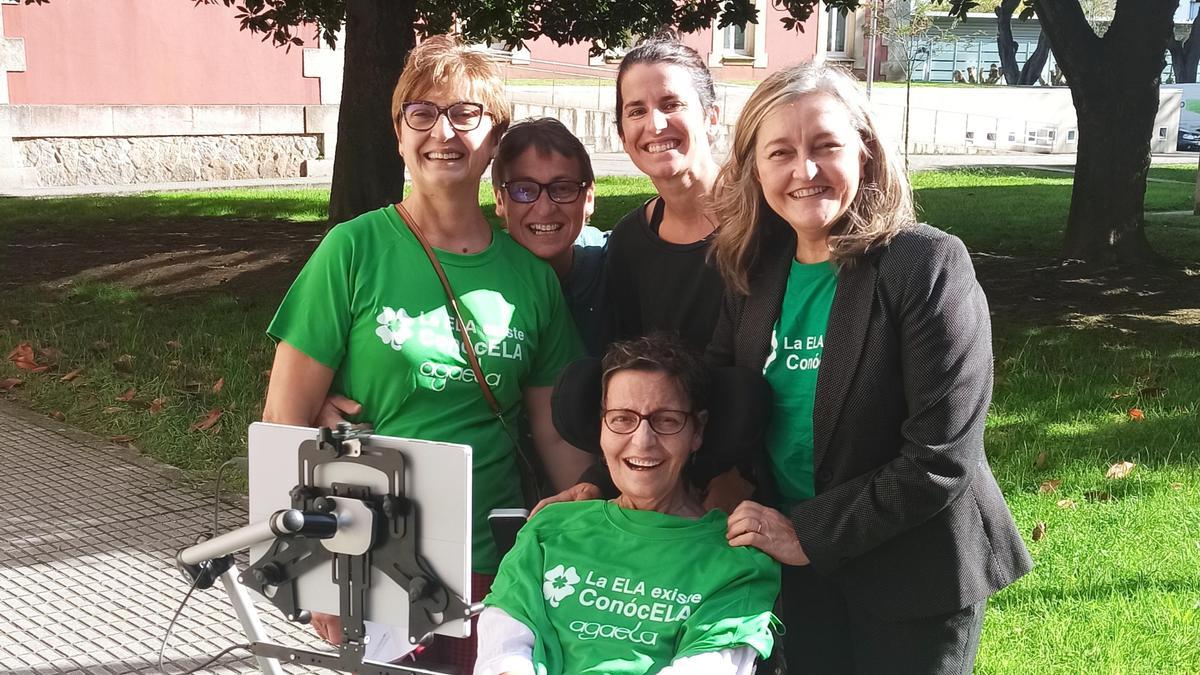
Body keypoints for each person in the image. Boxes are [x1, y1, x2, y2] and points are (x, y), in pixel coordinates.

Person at [262, 34, 592, 668]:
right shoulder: (352, 250)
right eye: (422, 112)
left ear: (494, 140)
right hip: (374, 557)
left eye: (466, 113)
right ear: (399, 134)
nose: (443, 130)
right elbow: (285, 421)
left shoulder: (529, 275)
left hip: (497, 561)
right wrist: (314, 570)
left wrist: (599, 533)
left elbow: (555, 436)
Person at [708, 62, 1032, 673]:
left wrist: (807, 533)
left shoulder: (926, 264)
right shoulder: (754, 272)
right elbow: (716, 393)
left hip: (913, 575)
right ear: (756, 168)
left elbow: (942, 455)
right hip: (794, 575)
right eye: (780, 152)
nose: (803, 171)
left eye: (826, 145)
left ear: (866, 152)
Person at [475, 335, 780, 675]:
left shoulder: (736, 561)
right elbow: (504, 644)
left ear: (698, 430)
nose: (642, 441)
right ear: (602, 427)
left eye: (666, 420)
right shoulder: (549, 528)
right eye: (622, 418)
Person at [603, 36, 726, 352]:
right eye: (636, 111)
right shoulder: (628, 243)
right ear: (622, 134)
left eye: (671, 104)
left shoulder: (765, 220)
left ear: (711, 117)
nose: (655, 124)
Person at [492, 117, 607, 356]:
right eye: (524, 189)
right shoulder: (476, 276)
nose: (545, 209)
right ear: (500, 200)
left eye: (563, 188)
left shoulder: (618, 259)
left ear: (588, 198)